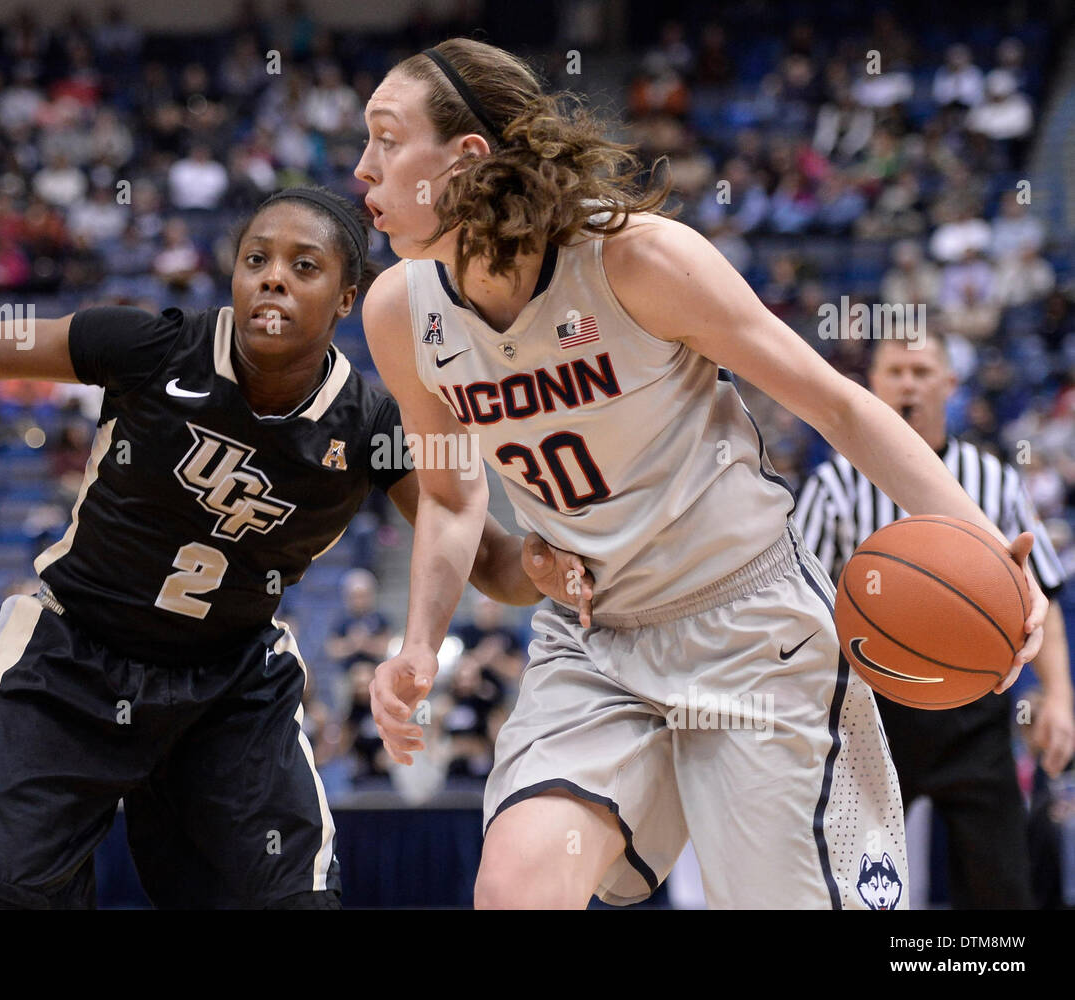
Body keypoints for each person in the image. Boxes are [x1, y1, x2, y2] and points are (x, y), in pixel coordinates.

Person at [353, 38, 1046, 910]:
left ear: (466, 158)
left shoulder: (637, 259)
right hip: (593, 641)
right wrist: (418, 643)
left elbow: (837, 406)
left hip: (746, 628)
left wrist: (985, 546)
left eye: (386, 137)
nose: (362, 166)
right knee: (518, 885)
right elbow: (453, 494)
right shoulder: (398, 312)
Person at [0, 185, 591, 909]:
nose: (272, 276)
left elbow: (486, 561)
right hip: (71, 660)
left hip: (228, 686)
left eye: (304, 266)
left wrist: (551, 568)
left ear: (347, 298)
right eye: (256, 259)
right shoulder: (151, 348)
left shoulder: (370, 428)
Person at [795, 329, 1075, 907]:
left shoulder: (994, 479)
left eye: (922, 371)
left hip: (974, 710)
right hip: (870, 711)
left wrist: (1061, 699)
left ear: (950, 383)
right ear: (871, 383)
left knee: (1001, 891)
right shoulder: (835, 483)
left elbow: (1040, 593)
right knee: (852, 888)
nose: (907, 383)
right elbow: (801, 604)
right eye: (895, 370)